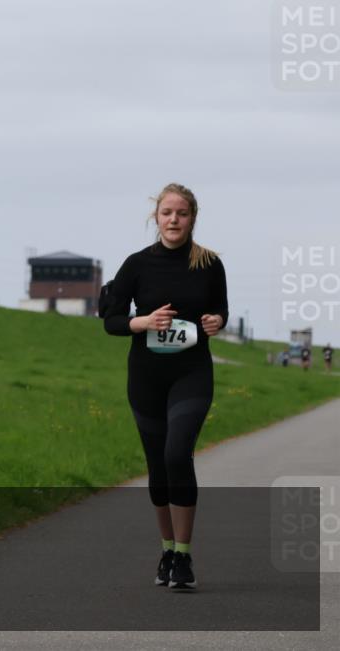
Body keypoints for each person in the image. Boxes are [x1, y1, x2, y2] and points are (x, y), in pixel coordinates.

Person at [103, 183, 228, 591]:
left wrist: (216, 322)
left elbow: (219, 309)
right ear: (156, 218)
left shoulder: (209, 263)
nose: (174, 220)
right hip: (146, 377)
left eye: (182, 213)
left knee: (178, 454)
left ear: (193, 218)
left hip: (191, 374)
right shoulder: (137, 264)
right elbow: (112, 320)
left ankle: (185, 555)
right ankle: (167, 549)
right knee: (157, 466)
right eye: (166, 213)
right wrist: (144, 322)